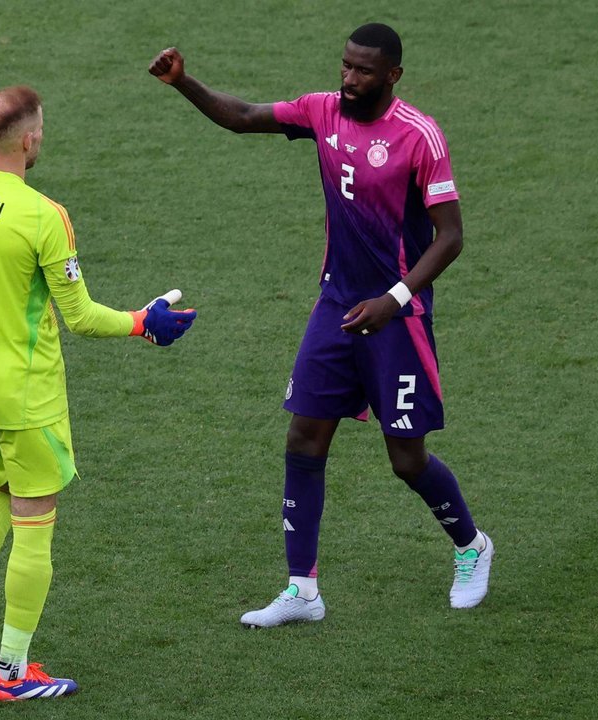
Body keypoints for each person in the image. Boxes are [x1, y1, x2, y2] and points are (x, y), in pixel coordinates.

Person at [149, 23, 492, 628]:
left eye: (363, 71)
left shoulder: (419, 136)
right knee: (303, 439)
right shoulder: (322, 112)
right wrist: (184, 83)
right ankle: (302, 590)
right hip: (337, 307)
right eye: (344, 66)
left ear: (393, 75)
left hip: (397, 317)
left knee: (407, 460)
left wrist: (394, 297)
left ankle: (471, 546)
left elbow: (452, 237)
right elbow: (244, 116)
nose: (348, 79)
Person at [0, 85, 196, 699]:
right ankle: (11, 672)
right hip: (26, 400)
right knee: (34, 520)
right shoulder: (43, 215)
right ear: (30, 138)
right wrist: (146, 323)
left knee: (6, 492)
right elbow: (82, 316)